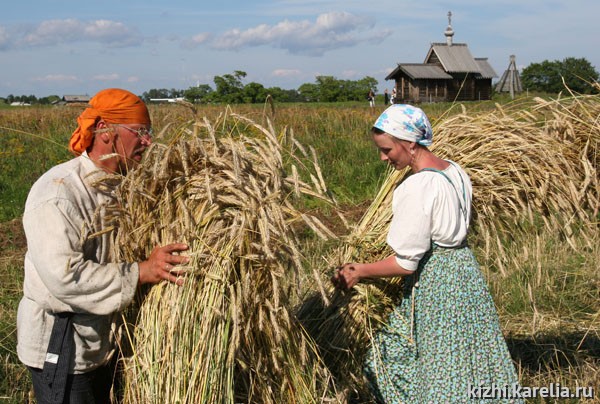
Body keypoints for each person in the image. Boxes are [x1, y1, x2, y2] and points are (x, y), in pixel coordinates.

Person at [331, 104, 522, 403]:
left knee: (396, 357)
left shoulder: (418, 186)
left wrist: (360, 270)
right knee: (468, 358)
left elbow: (407, 263)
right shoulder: (455, 171)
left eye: (387, 149)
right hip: (465, 273)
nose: (383, 157)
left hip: (438, 284)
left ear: (409, 143)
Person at [17, 88, 190, 403]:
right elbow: (65, 277)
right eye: (139, 132)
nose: (148, 142)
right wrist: (141, 272)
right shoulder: (59, 192)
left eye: (148, 132)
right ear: (105, 132)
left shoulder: (128, 187)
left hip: (105, 344)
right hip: (65, 350)